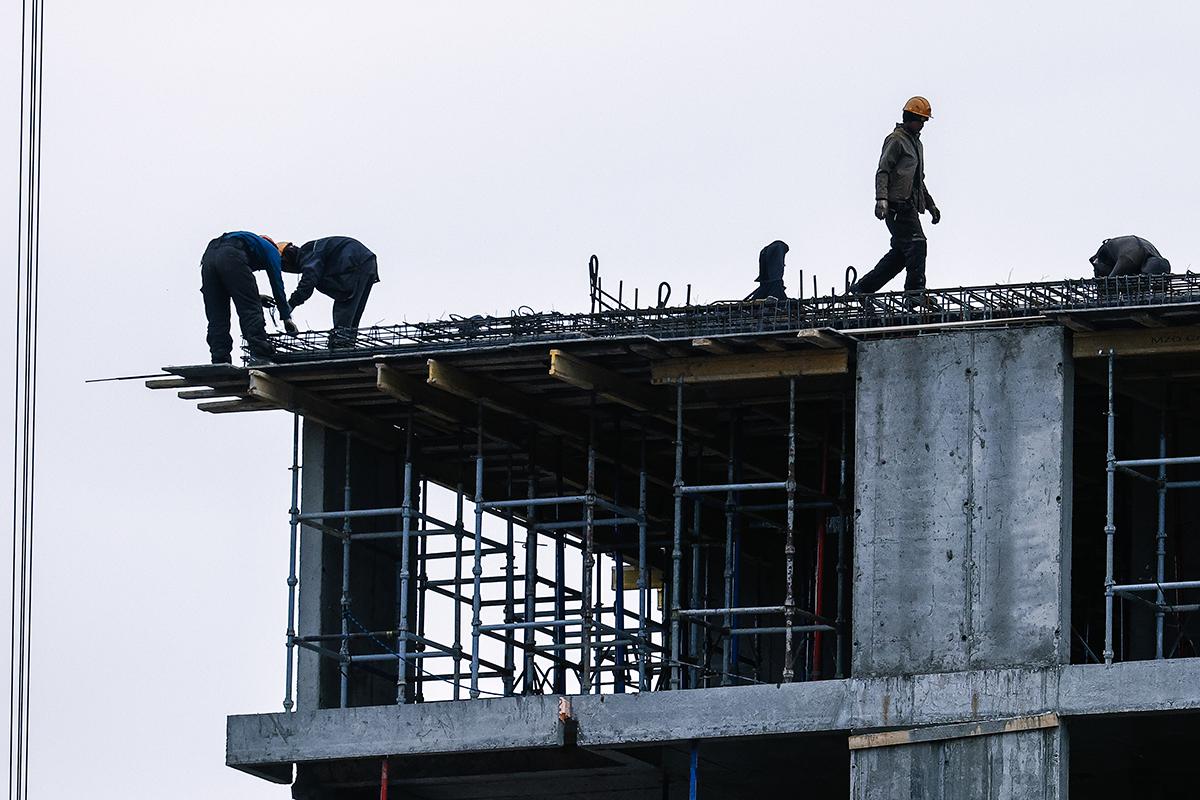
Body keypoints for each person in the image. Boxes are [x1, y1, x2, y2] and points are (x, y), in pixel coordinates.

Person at [850, 96, 942, 305]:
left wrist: (930, 205)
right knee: (918, 244)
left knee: (901, 254)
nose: (923, 125)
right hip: (896, 206)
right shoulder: (896, 139)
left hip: (910, 204)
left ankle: (863, 288)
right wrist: (881, 198)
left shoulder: (916, 144)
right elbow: (883, 171)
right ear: (910, 117)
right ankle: (914, 293)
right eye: (921, 121)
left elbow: (918, 180)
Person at [200, 231, 296, 364]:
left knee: (217, 315)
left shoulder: (248, 243)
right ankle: (260, 356)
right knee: (250, 310)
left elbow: (235, 286)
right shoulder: (272, 251)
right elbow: (277, 285)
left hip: (208, 258)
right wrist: (286, 317)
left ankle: (219, 359)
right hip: (231, 255)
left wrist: (257, 296)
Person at [278, 236, 379, 345]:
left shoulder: (308, 255)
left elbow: (308, 282)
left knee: (344, 308)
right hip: (363, 262)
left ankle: (341, 344)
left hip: (353, 262)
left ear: (287, 258)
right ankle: (346, 343)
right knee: (351, 316)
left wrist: (291, 304)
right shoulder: (310, 252)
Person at [1090, 236, 1172, 278]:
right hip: (1105, 258)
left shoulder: (1159, 261)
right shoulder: (1129, 260)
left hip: (1127, 249)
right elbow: (1111, 282)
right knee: (1109, 286)